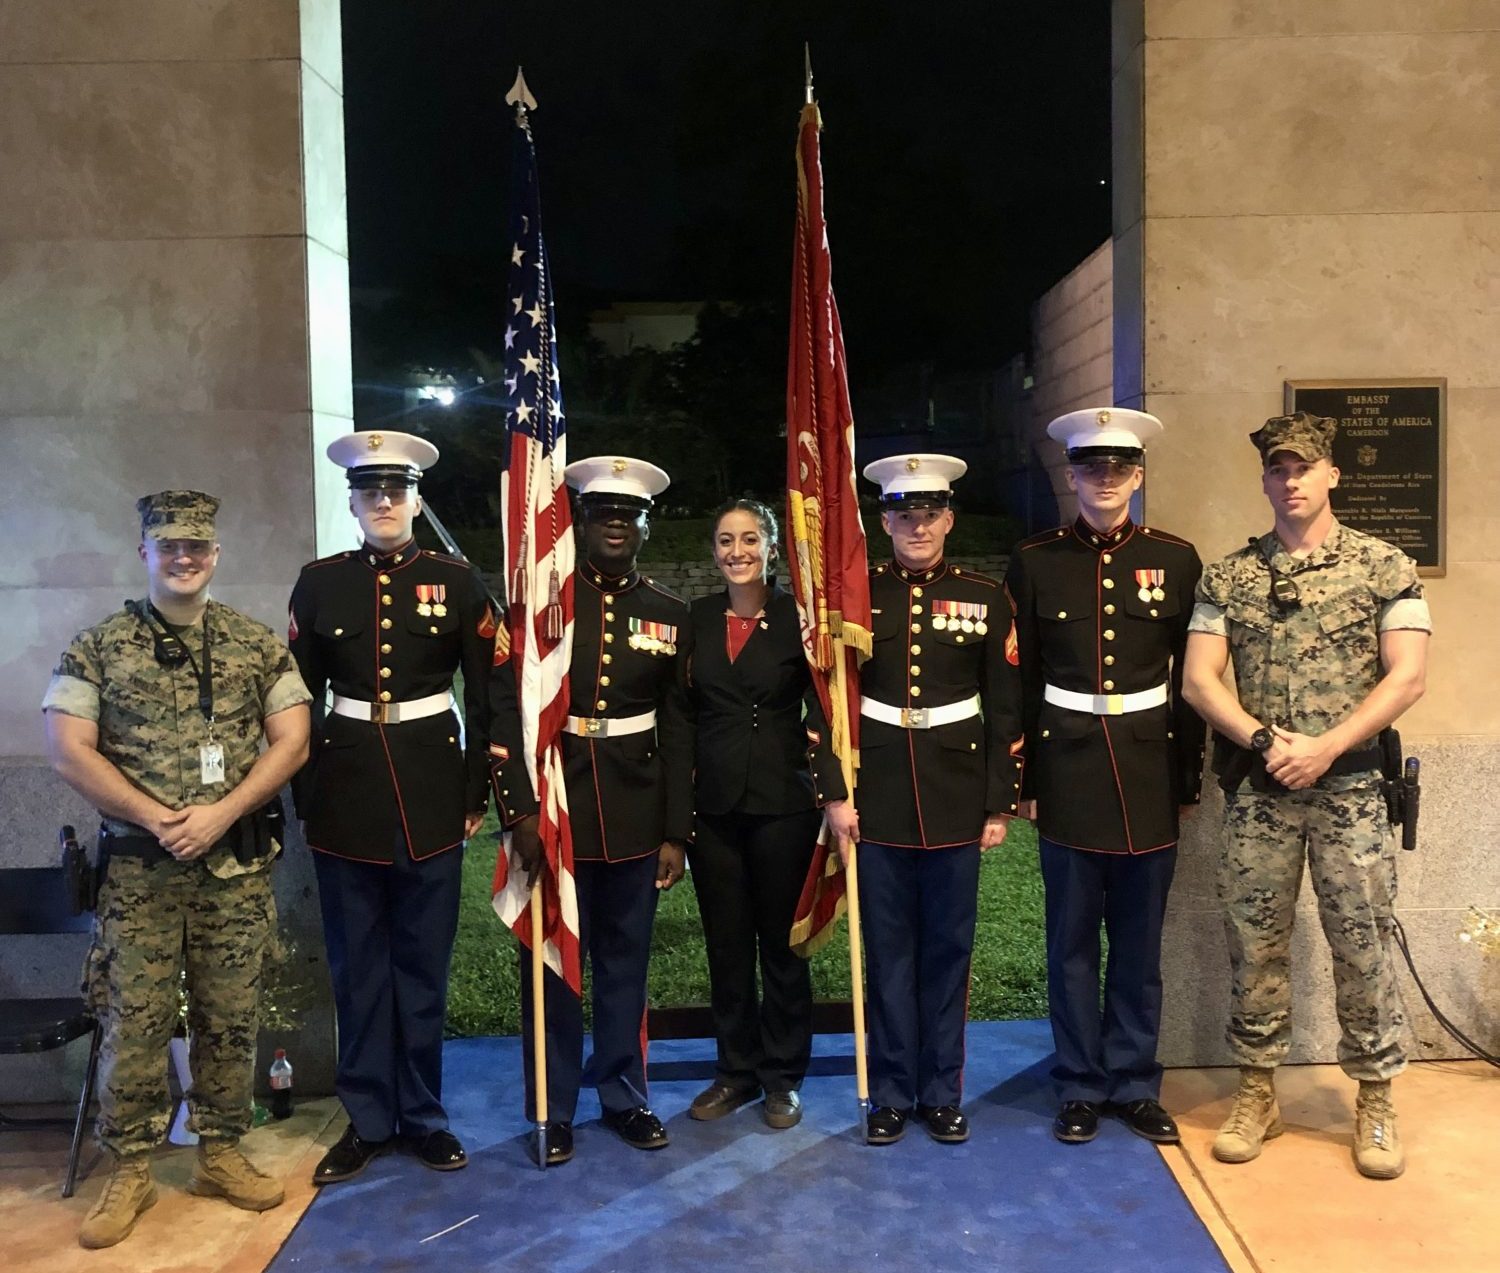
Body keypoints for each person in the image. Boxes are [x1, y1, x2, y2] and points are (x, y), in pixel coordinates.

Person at [42, 491, 311, 1249]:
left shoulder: (255, 644)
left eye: (197, 546)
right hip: (138, 875)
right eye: (169, 547)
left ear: (215, 555)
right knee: (134, 1021)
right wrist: (156, 816)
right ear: (146, 555)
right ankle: (128, 1166)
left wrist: (223, 811)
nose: (184, 558)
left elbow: (293, 738)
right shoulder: (99, 645)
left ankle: (220, 1149)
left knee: (231, 1018)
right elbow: (68, 747)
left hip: (234, 869)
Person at [1181, 411, 1430, 1180]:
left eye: (1302, 468)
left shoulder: (1385, 565)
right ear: (1264, 479)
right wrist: (1265, 741)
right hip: (1260, 791)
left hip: (1351, 788)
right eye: (1276, 470)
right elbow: (1198, 679)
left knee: (1361, 940)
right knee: (1254, 944)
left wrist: (1325, 746)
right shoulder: (1229, 574)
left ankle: (1377, 1098)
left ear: (1332, 475)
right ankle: (1258, 1092)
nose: (1289, 481)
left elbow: (1408, 674)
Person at [288, 431, 496, 1184]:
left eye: (397, 490)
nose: (384, 502)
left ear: (416, 498)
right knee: (358, 970)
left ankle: (425, 1115)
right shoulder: (318, 584)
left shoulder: (458, 580)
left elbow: (490, 694)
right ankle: (368, 1116)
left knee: (422, 969)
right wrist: (306, 795)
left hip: (434, 793)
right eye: (370, 491)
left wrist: (478, 792)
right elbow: (296, 701)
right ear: (350, 500)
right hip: (344, 796)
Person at [1006, 408, 1205, 1147]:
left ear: (1139, 475)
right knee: (1070, 942)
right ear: (1073, 475)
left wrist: (1188, 777)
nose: (1105, 478)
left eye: (1119, 467)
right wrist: (1021, 772)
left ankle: (1133, 1079)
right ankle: (1080, 1082)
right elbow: (1018, 675)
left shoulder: (1178, 559)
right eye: (1091, 466)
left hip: (1151, 765)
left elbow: (1192, 676)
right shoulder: (1035, 560)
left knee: (1138, 940)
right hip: (1066, 765)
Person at [492, 455, 693, 1166]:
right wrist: (518, 813)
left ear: (645, 526)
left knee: (624, 964)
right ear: (578, 520)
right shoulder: (546, 608)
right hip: (557, 807)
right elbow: (507, 712)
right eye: (602, 513)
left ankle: (624, 1095)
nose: (616, 524)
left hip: (636, 810)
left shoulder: (671, 613)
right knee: (550, 964)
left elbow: (679, 729)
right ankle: (553, 1106)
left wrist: (676, 830)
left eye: (628, 515)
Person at [831, 453, 1021, 1146]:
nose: (918, 525)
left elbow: (1005, 708)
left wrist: (999, 802)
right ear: (883, 520)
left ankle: (941, 1090)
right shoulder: (853, 599)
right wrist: (832, 792)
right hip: (875, 792)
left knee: (947, 949)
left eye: (930, 512)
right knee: (887, 951)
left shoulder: (987, 596)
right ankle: (888, 1094)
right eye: (903, 513)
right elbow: (827, 701)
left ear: (949, 517)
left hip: (955, 791)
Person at [680, 499, 842, 1131]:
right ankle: (734, 1071)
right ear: (714, 551)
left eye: (750, 539)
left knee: (782, 946)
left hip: (783, 802)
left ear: (772, 547)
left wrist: (830, 789)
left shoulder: (799, 620)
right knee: (725, 945)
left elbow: (828, 708)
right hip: (714, 805)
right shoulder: (694, 619)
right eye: (725, 541)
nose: (737, 551)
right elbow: (680, 713)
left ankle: (782, 1077)